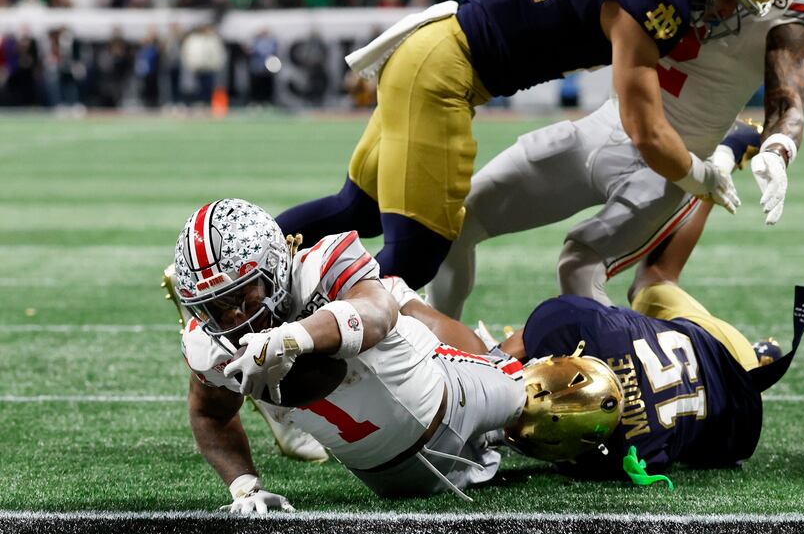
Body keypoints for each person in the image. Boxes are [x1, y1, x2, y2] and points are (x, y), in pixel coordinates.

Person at [276, 0, 787, 290]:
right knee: (418, 251)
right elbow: (645, 130)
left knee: (358, 210)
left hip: (430, 48)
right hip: (444, 71)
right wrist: (701, 175)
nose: (725, 11)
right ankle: (298, 348)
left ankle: (247, 271)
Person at [428, 0, 804, 315]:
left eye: (741, 2)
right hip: (607, 127)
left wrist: (779, 148)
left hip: (672, 166)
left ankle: (626, 379)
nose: (726, 10)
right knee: (457, 224)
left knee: (579, 264)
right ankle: (439, 346)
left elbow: (787, 99)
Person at [169, 199, 574, 511]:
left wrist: (292, 337)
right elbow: (210, 413)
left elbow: (378, 315)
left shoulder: (321, 267)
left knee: (559, 399)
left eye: (242, 294)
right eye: (215, 306)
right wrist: (244, 486)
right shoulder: (210, 348)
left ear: (274, 265)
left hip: (454, 395)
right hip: (395, 479)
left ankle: (530, 347)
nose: (235, 316)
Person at [497, 233, 804, 475]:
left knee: (658, 279)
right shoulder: (619, 459)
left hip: (736, 415)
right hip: (723, 361)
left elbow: (503, 356)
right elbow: (522, 343)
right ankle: (710, 174)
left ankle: (758, 357)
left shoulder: (631, 454)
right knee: (653, 277)